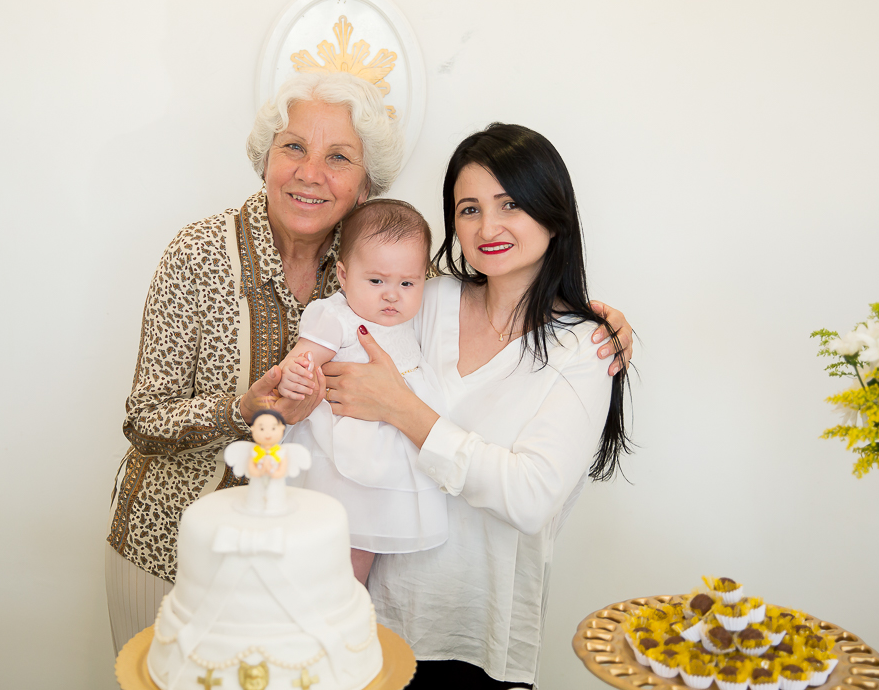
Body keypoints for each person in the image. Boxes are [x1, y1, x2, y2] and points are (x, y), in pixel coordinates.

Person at [104, 70, 635, 654]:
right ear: (265, 158)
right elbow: (144, 418)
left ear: (365, 185)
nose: (311, 173)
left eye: (339, 156)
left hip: (318, 571)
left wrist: (590, 318)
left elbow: (511, 298)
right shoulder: (200, 254)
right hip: (176, 545)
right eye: (294, 148)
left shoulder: (394, 275)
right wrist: (243, 409)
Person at [320, 123, 631, 689]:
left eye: (510, 204)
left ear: (553, 211)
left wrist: (403, 409)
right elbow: (336, 325)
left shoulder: (583, 348)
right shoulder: (421, 299)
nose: (488, 227)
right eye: (469, 209)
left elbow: (531, 496)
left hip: (477, 640)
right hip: (373, 620)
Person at [278, 199, 448, 585]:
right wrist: (295, 376)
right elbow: (302, 360)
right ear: (343, 274)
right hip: (341, 458)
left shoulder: (415, 318)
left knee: (364, 552)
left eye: (408, 283)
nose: (392, 295)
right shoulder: (336, 316)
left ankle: (347, 613)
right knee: (330, 549)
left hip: (391, 461)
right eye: (376, 281)